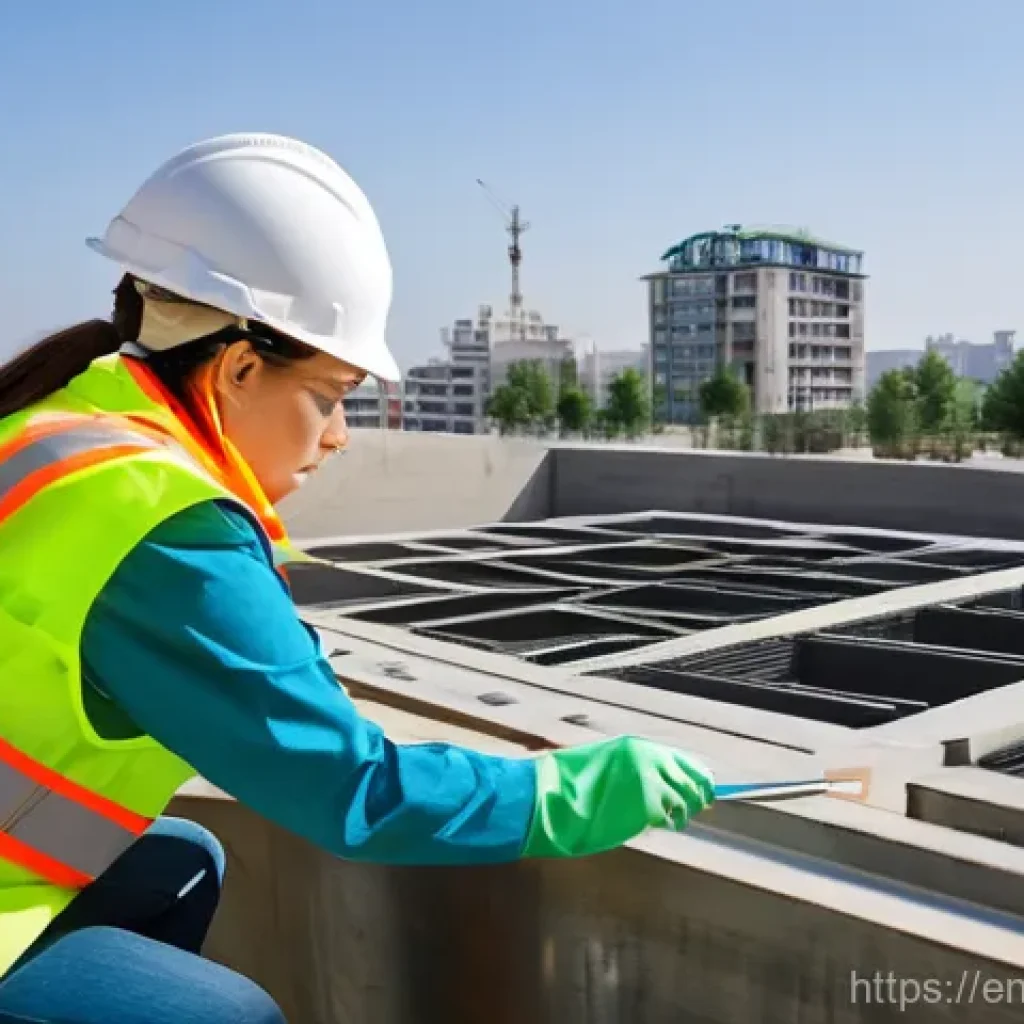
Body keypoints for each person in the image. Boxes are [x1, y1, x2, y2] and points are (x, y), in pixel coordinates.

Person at [0, 133, 715, 1023]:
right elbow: (352, 788)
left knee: (186, 858)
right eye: (332, 396)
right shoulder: (165, 528)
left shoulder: (62, 420)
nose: (339, 436)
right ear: (241, 366)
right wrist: (563, 794)